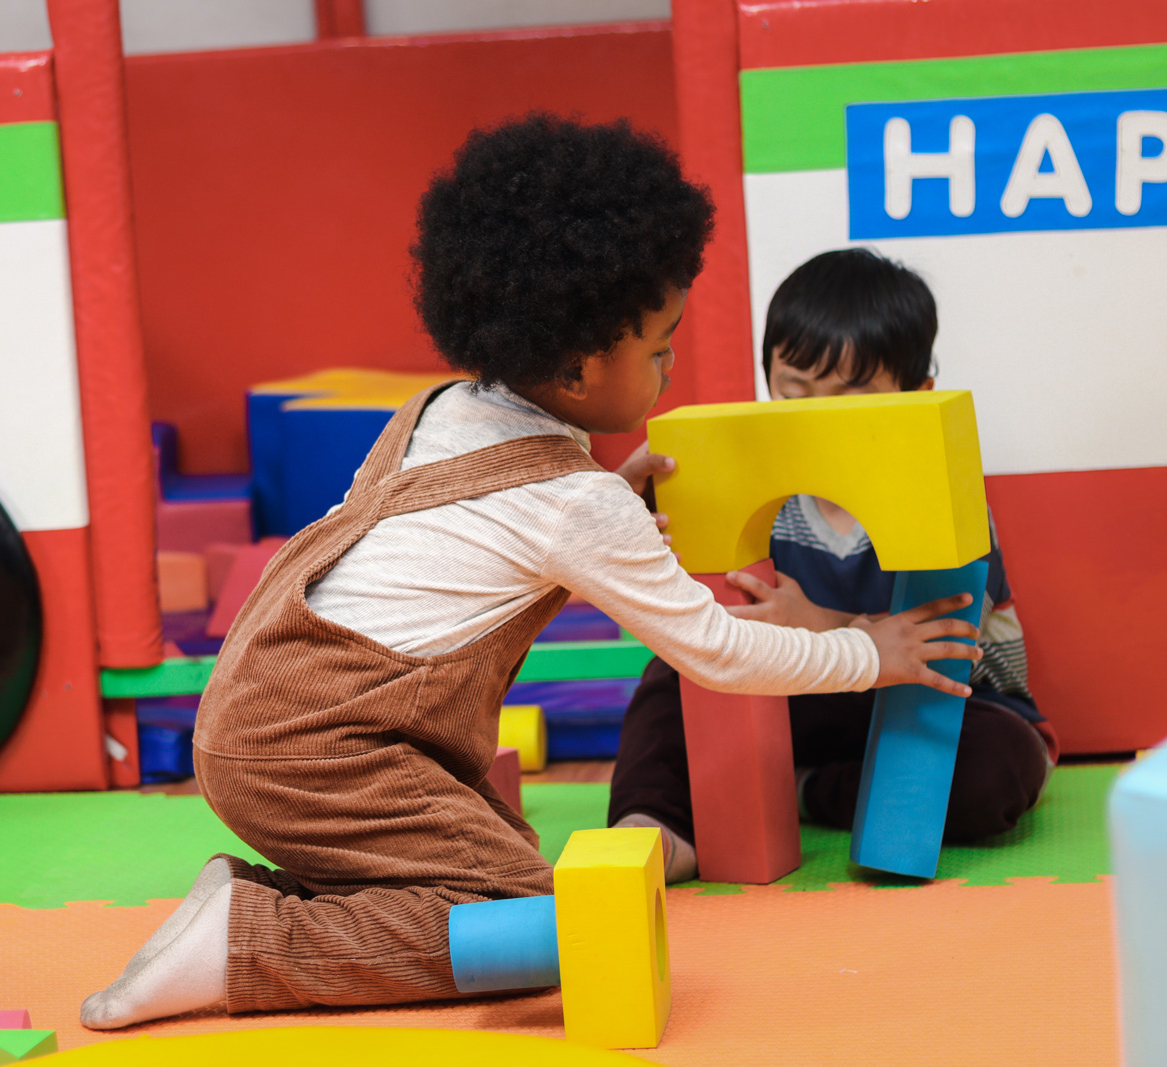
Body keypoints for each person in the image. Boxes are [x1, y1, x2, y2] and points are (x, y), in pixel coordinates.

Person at [79, 118, 981, 1030]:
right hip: (323, 744)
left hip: (257, 709)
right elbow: (720, 654)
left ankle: (240, 892)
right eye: (662, 346)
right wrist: (873, 651)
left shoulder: (442, 409)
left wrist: (610, 495)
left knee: (503, 861)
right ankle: (249, 940)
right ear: (584, 366)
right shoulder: (570, 503)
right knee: (529, 923)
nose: (671, 366)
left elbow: (479, 533)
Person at [608, 248, 1057, 883]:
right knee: (672, 673)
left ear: (915, 393)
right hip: (799, 693)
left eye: (852, 394)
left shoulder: (940, 489)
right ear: (767, 379)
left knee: (1000, 764)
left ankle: (806, 791)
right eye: (794, 388)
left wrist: (825, 623)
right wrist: (623, 516)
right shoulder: (757, 487)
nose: (818, 413)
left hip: (941, 700)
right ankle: (653, 827)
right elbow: (688, 604)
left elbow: (947, 643)